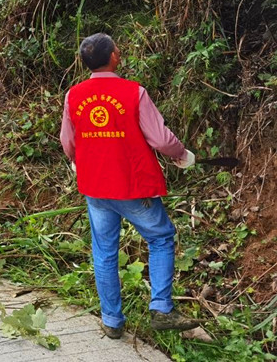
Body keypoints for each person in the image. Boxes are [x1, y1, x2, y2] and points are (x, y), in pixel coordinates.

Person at [59, 33, 200, 339]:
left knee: (104, 251)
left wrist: (77, 160)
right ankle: (162, 308)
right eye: (117, 48)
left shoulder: (73, 96)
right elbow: (161, 140)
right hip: (131, 185)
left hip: (95, 187)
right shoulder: (133, 93)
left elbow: (68, 142)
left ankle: (111, 320)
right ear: (114, 57)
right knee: (161, 237)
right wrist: (181, 155)